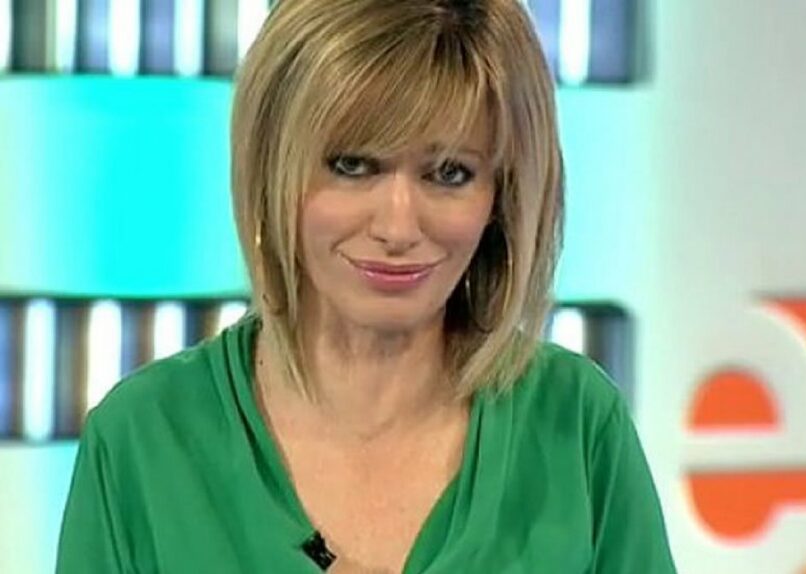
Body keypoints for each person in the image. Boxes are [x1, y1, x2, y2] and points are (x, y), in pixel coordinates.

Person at [56, 0, 676, 571]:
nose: (398, 228)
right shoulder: (145, 437)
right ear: (273, 165)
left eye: (450, 173)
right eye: (352, 165)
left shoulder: (576, 426)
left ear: (502, 195)